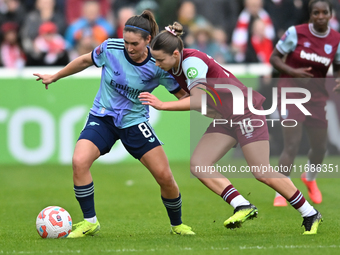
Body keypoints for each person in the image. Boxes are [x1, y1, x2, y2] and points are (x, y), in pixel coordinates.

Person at [139, 21, 323, 235]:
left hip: (245, 111)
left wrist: (162, 105)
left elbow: (197, 100)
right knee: (199, 164)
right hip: (227, 116)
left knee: (261, 171)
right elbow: (200, 99)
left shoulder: (191, 63)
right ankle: (242, 205)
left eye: (160, 59)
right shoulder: (177, 65)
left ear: (176, 54)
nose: (158, 64)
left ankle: (309, 213)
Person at [33, 10, 195, 238]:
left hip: (134, 122)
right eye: (126, 41)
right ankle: (90, 221)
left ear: (148, 40)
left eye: (135, 44)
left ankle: (177, 225)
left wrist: (165, 104)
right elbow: (83, 61)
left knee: (165, 177)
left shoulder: (158, 65)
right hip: (103, 116)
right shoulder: (110, 48)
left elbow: (185, 97)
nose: (128, 47)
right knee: (79, 161)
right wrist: (55, 76)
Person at [269, 0, 340, 206]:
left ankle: (309, 179)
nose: (320, 16)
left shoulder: (336, 39)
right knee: (291, 143)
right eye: (315, 13)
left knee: (320, 147)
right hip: (290, 92)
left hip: (316, 97)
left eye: (324, 12)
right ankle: (281, 191)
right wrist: (292, 71)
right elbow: (274, 58)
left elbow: (337, 65)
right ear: (310, 15)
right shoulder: (295, 33)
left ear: (330, 14)